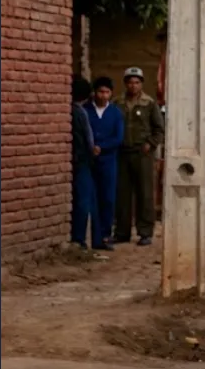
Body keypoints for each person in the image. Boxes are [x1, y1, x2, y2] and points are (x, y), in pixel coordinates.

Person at [114, 67, 165, 246]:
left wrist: (150, 143)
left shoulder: (149, 103)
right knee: (122, 194)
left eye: (136, 82)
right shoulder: (117, 102)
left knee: (145, 193)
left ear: (141, 84)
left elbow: (159, 129)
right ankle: (121, 232)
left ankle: (145, 232)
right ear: (125, 83)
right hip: (122, 153)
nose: (133, 85)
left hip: (142, 154)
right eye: (130, 82)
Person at [85, 76, 124, 251]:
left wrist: (103, 147)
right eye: (100, 91)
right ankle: (92, 236)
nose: (103, 95)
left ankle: (105, 235)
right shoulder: (86, 110)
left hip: (108, 161)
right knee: (90, 197)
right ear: (94, 92)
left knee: (107, 198)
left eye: (107, 92)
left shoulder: (115, 113)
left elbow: (118, 137)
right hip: (89, 161)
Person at [71, 76, 99, 249]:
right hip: (82, 161)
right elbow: (89, 139)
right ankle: (79, 238)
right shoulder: (80, 112)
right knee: (84, 200)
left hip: (72, 160)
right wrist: (93, 151)